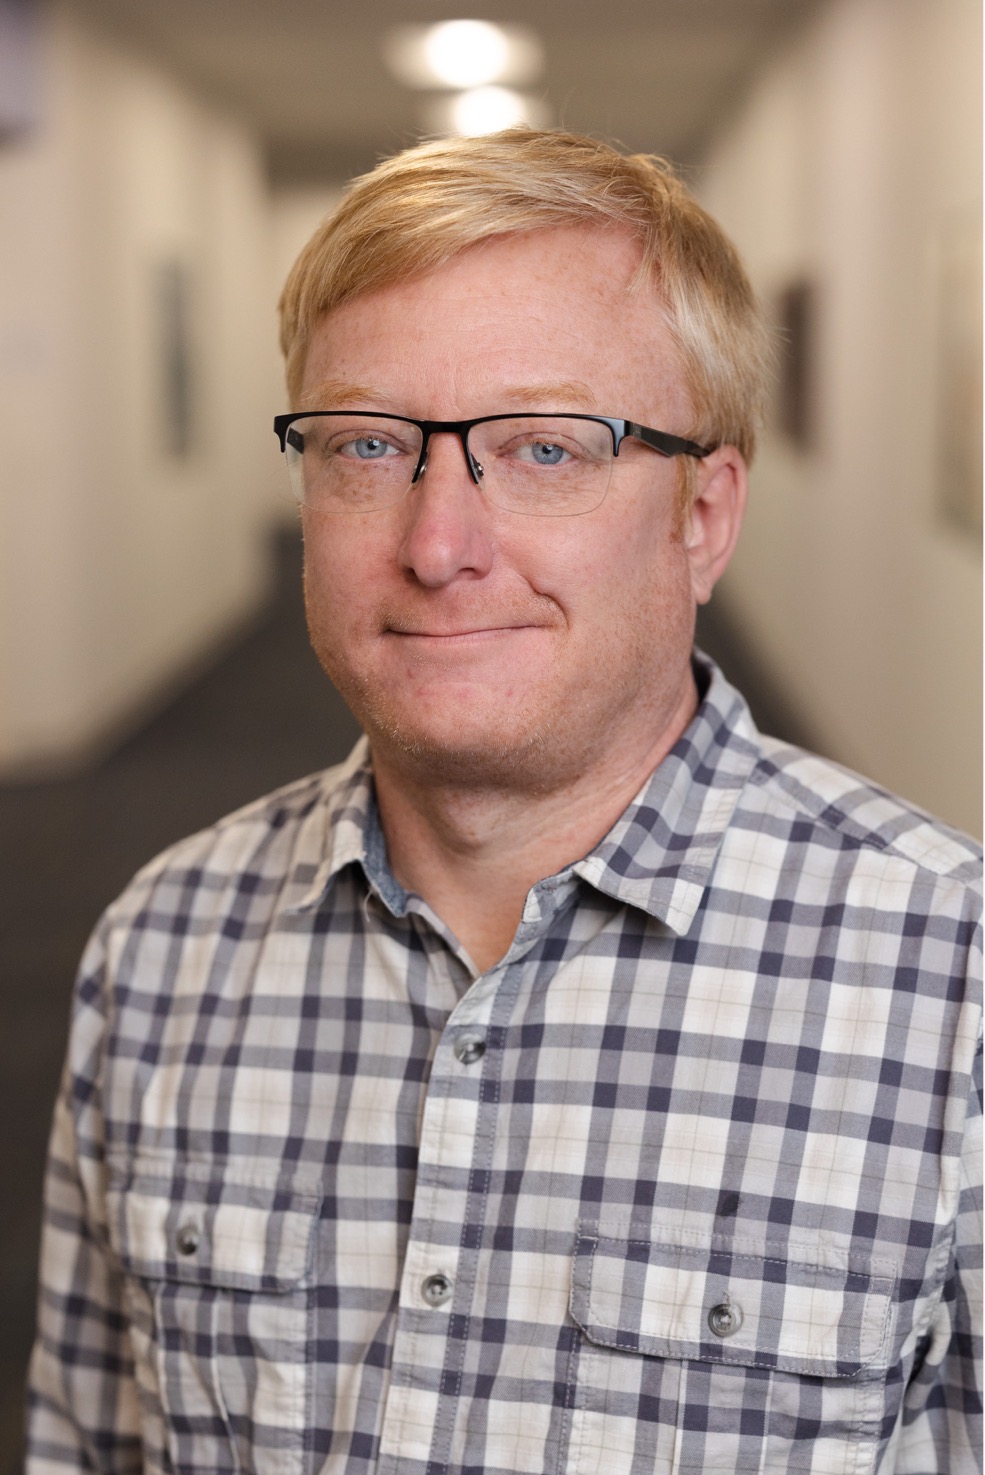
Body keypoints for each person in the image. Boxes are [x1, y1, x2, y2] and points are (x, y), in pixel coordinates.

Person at [27, 128, 981, 1475]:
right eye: (367, 446)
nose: (436, 545)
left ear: (702, 517)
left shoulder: (952, 982)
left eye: (544, 449)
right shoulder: (158, 951)